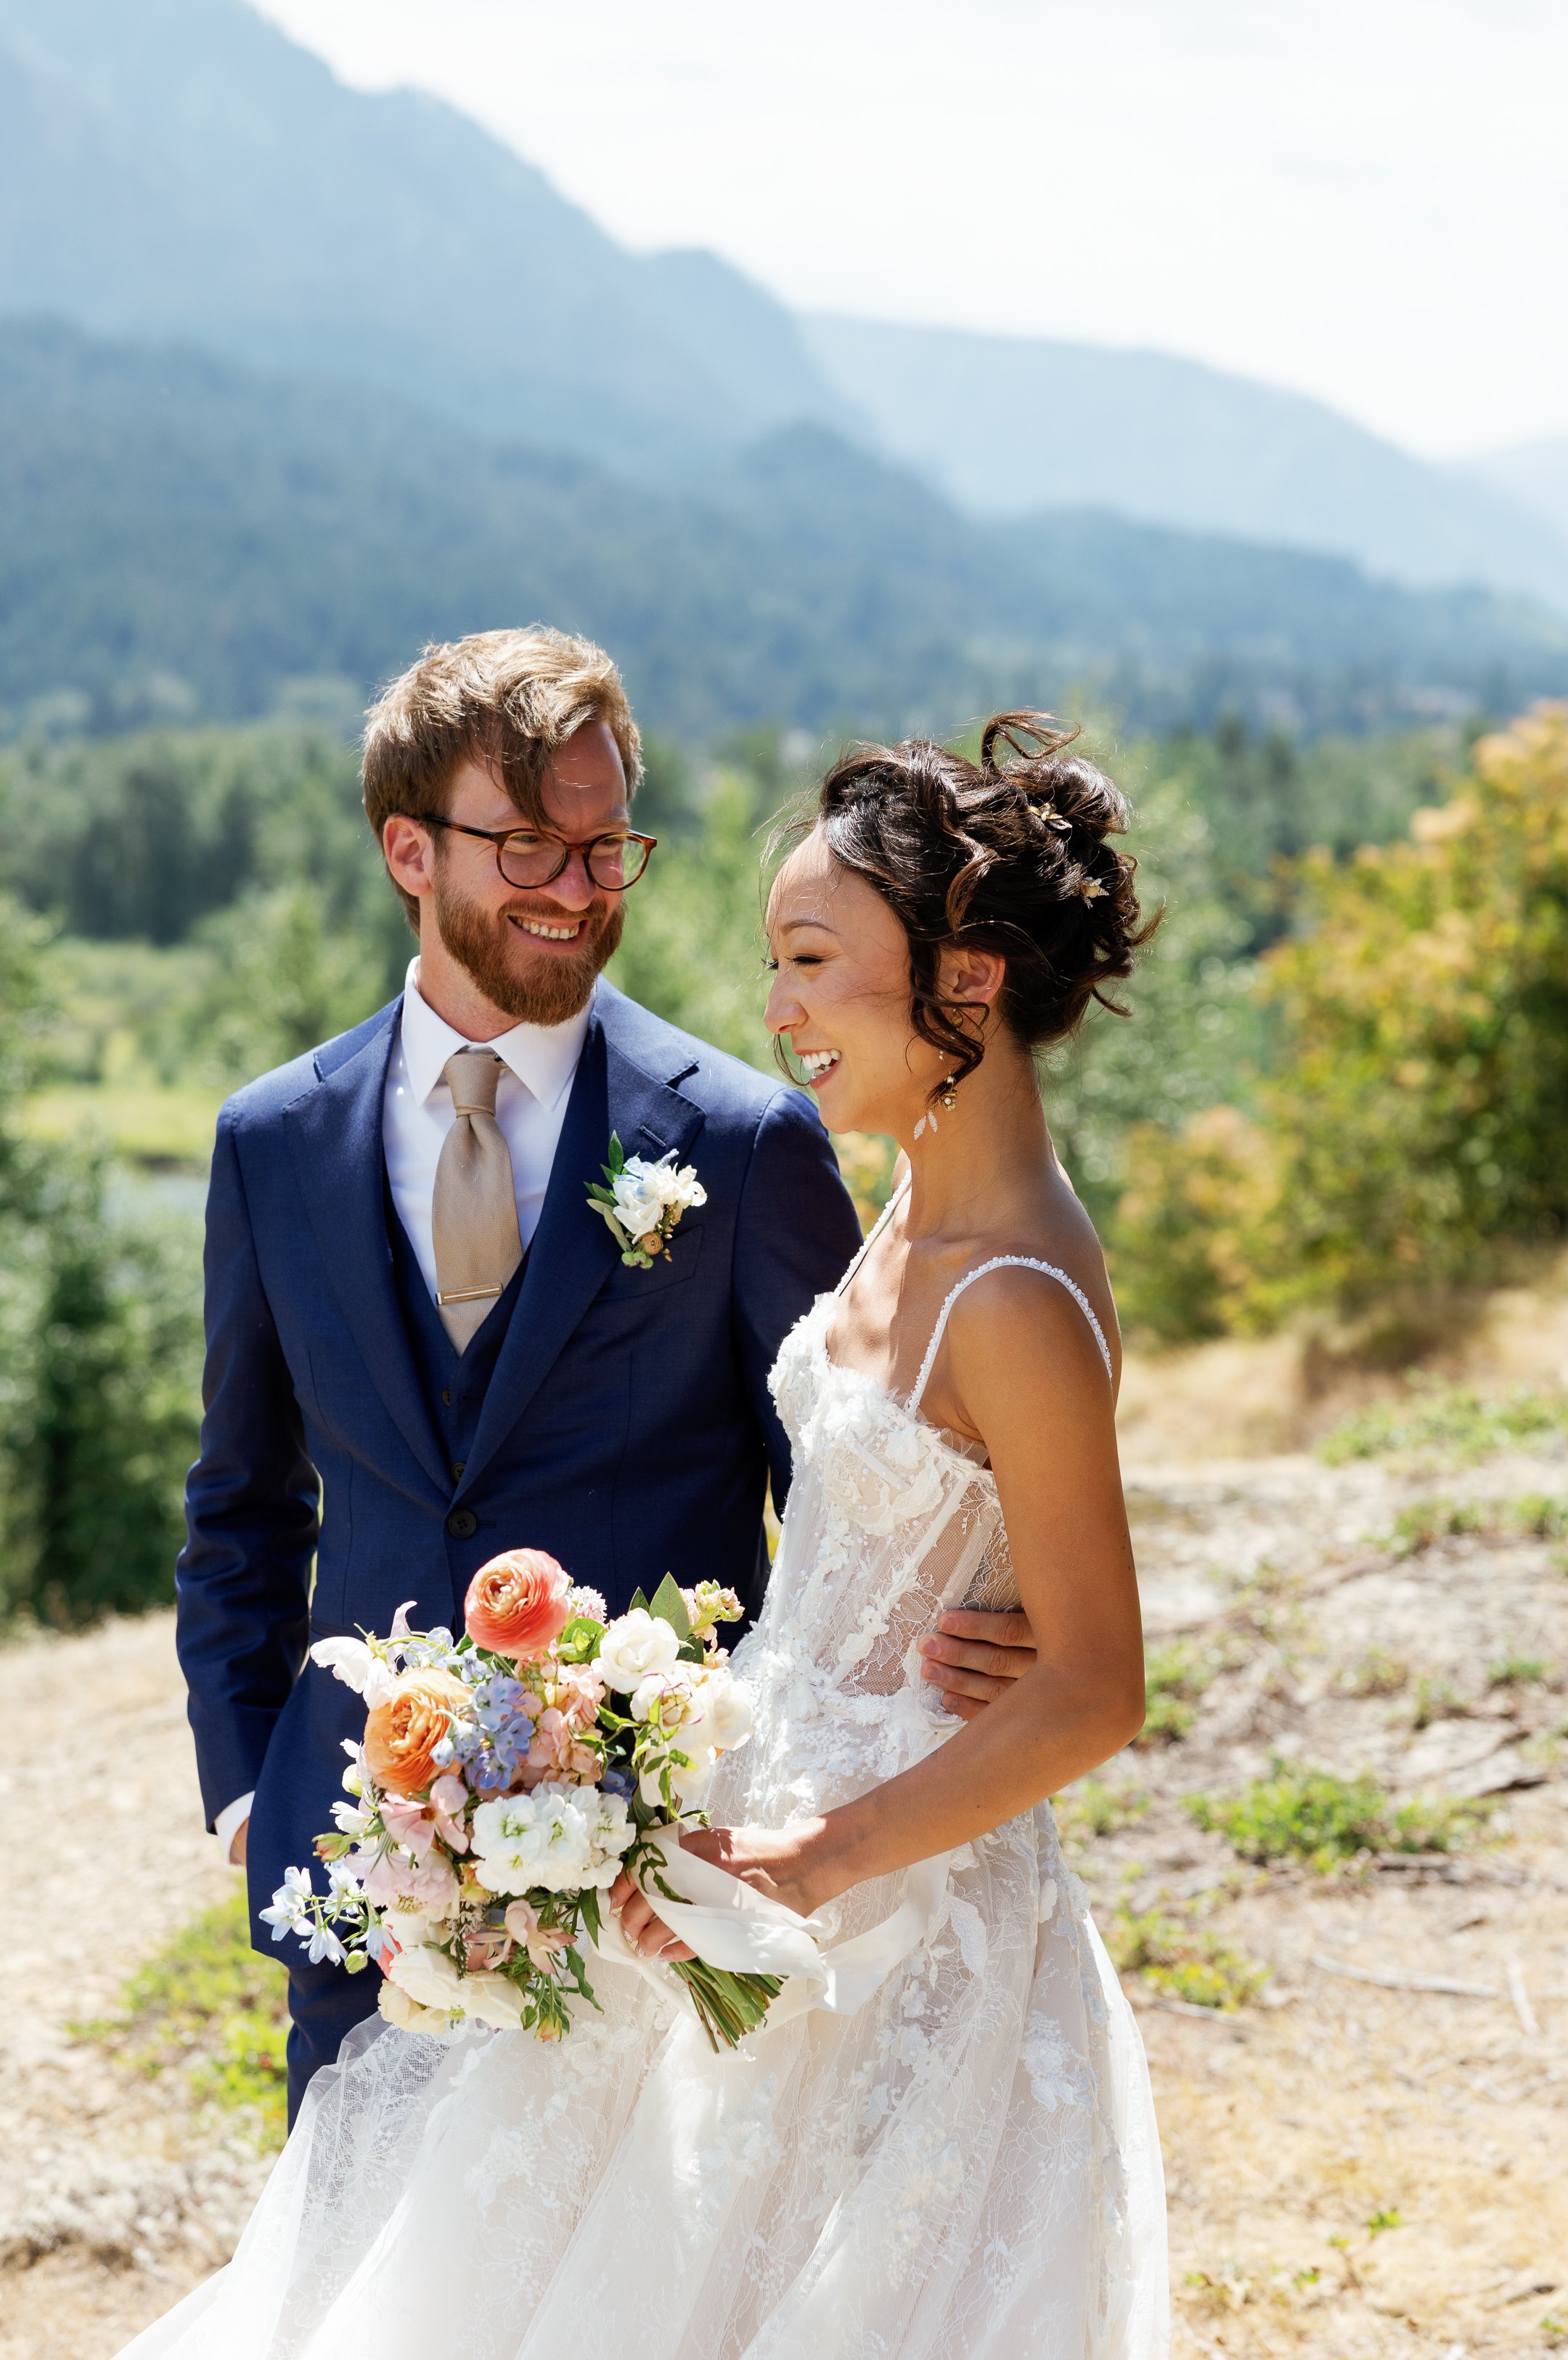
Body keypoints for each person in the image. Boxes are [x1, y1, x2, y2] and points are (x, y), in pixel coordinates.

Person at [129, 707, 1167, 2359]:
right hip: (716, 1852)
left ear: (966, 977)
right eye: (778, 962)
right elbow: (886, 1514)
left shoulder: (996, 1272)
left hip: (878, 1908)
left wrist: (852, 1821)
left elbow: (1101, 1684)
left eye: (817, 959)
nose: (779, 1010)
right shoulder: (911, 1214)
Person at [173, 624, 1034, 2127]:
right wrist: (254, 1781)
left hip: (656, 1888)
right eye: (528, 846)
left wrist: (991, 1620)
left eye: (603, 845)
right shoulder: (272, 1141)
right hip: (358, 1875)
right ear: (407, 848)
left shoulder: (746, 1138)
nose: (577, 891)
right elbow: (240, 1499)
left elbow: (858, 1492)